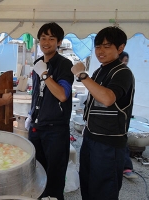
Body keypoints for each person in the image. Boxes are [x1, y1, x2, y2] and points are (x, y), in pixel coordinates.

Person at [71, 27, 135, 199]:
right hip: (91, 138)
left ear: (120, 48)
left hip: (109, 144)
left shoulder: (123, 72)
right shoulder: (100, 71)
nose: (100, 51)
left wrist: (82, 75)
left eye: (107, 46)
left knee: (104, 190)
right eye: (98, 46)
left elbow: (107, 99)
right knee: (88, 184)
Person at [25, 22, 74, 200]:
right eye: (43, 38)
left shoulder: (64, 65)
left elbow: (62, 95)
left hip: (55, 130)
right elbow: (37, 93)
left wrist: (45, 75)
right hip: (37, 127)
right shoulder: (38, 63)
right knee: (36, 171)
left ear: (59, 42)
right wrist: (32, 114)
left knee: (54, 175)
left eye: (51, 38)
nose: (46, 42)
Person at [119, 51, 138, 179]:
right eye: (123, 60)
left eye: (126, 61)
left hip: (122, 115)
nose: (125, 63)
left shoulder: (126, 74)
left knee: (122, 140)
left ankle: (126, 167)